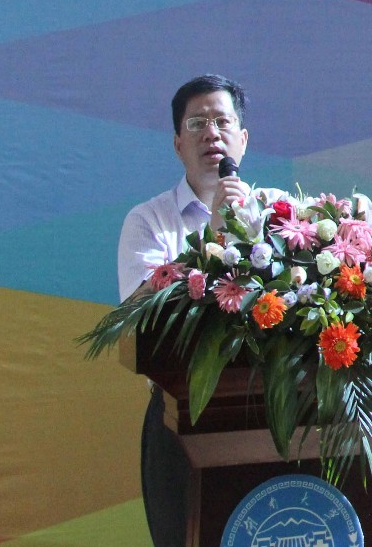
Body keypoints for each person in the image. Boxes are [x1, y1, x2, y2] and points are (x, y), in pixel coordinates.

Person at [116, 74, 258, 547]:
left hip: (272, 411)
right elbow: (141, 319)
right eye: (197, 123)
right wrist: (213, 237)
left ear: (243, 139)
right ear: (178, 143)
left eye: (222, 122)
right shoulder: (148, 221)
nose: (211, 133)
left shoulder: (276, 214)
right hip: (181, 420)